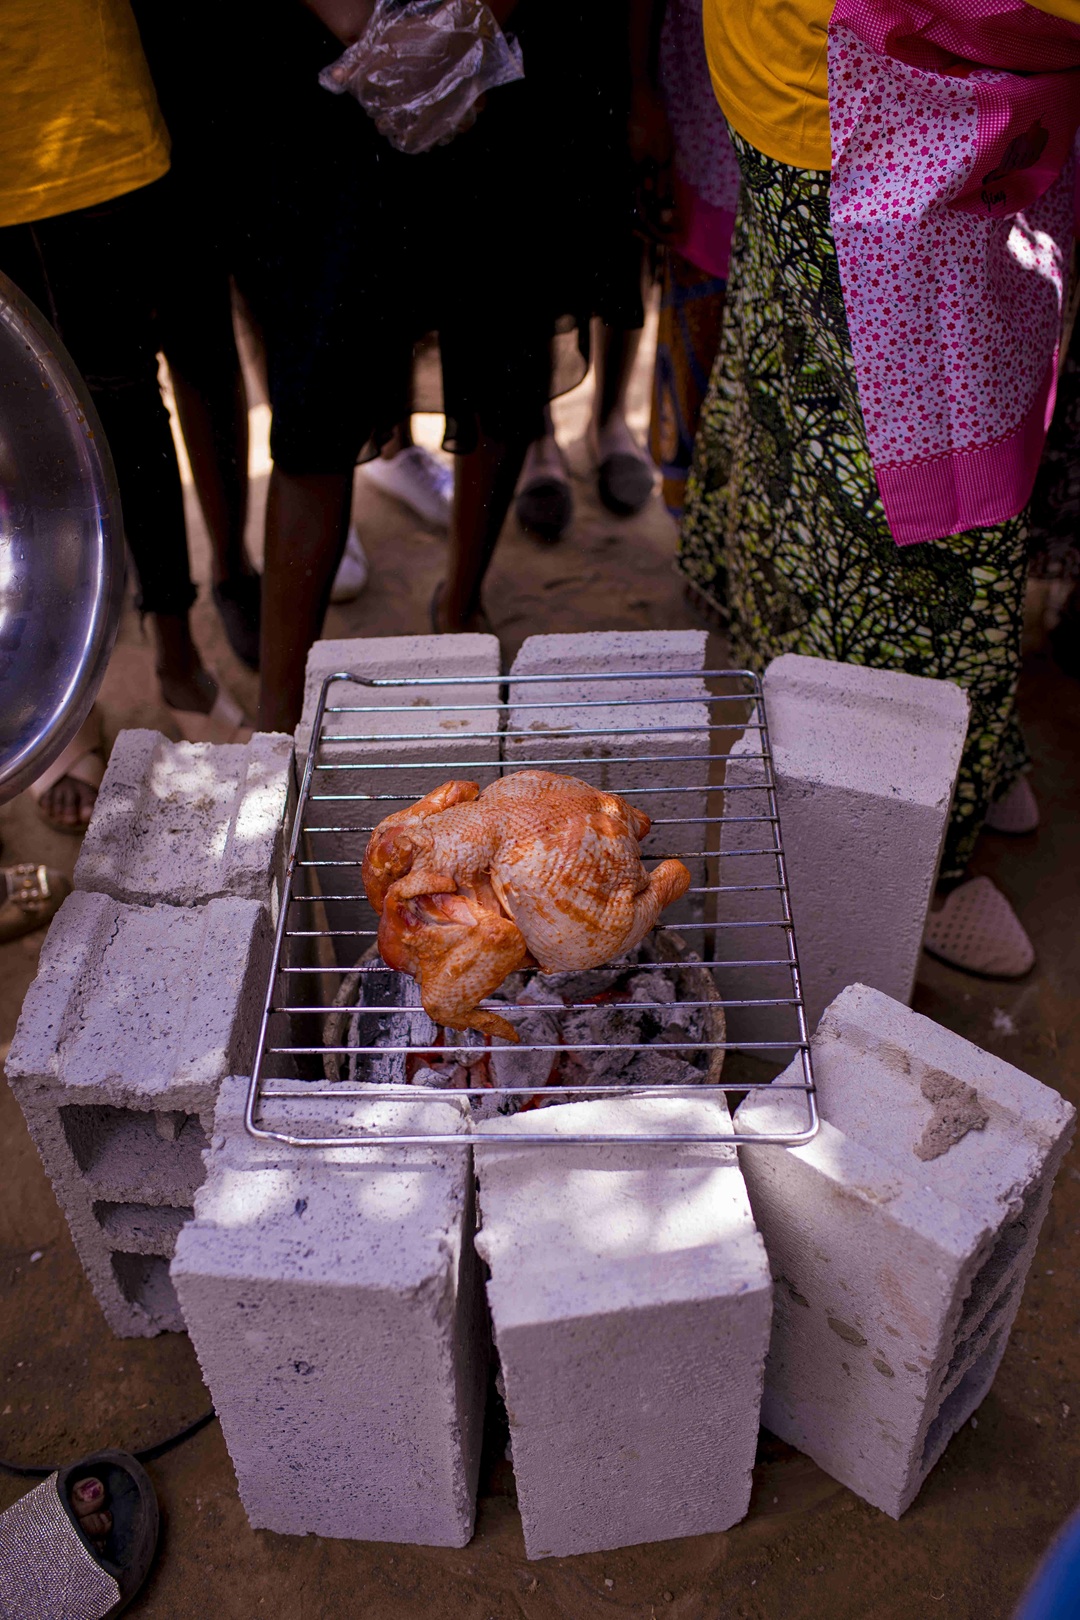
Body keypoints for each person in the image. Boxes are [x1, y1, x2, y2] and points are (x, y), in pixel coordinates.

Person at [680, 0, 1080, 979]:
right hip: (875, 100)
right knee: (895, 506)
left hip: (910, 91)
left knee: (878, 431)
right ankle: (910, 849)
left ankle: (971, 751)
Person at [249, 0, 643, 732]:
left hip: (514, 64)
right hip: (329, 76)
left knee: (503, 343)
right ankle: (274, 724)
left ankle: (462, 611)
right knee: (318, 378)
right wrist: (360, 21)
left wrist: (475, 20)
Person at [0, 0, 245, 843]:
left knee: (121, 407)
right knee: (9, 447)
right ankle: (60, 704)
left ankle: (179, 659)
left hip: (75, 100)